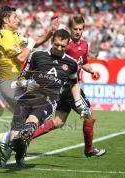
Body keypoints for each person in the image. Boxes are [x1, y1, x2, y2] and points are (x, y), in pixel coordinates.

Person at [10, 29, 89, 167]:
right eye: (57, 44)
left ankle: (25, 135)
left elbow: (74, 84)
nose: (59, 48)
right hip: (27, 97)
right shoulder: (36, 56)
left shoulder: (72, 64)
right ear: (52, 42)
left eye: (63, 46)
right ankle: (18, 149)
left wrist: (79, 102)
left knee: (32, 120)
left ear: (67, 45)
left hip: (48, 99)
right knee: (14, 138)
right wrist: (25, 83)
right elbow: (22, 77)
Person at [30, 15, 106, 157]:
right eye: (75, 29)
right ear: (70, 28)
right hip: (69, 87)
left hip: (69, 87)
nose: (77, 31)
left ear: (83, 29)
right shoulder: (65, 44)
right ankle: (89, 150)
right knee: (90, 117)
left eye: (80, 29)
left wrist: (92, 71)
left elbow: (83, 62)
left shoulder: (84, 44)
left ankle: (26, 137)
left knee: (58, 121)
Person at [0, 6, 58, 167]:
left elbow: (36, 42)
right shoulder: (4, 35)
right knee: (46, 99)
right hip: (10, 84)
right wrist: (30, 43)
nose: (18, 19)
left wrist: (50, 31)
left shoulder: (14, 35)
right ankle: (7, 138)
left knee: (25, 122)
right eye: (14, 17)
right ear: (5, 20)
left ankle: (9, 149)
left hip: (18, 83)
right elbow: (22, 57)